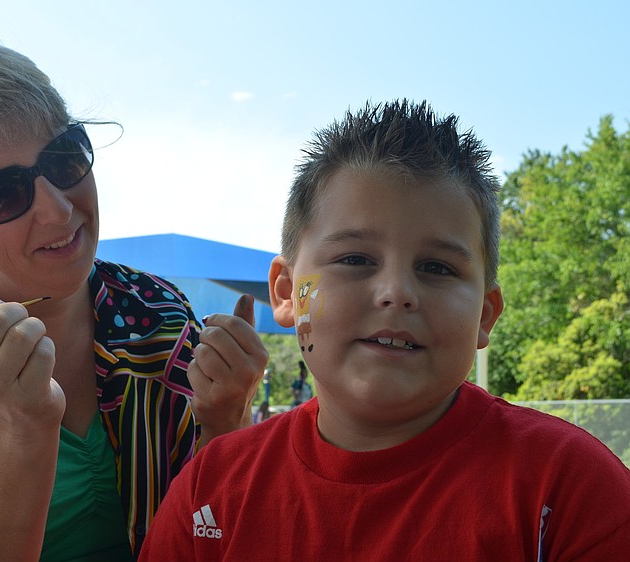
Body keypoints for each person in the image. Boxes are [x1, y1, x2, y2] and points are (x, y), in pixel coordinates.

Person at [0, 1, 267, 561]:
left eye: (64, 159)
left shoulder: (157, 312)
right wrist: (17, 424)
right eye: (0, 193)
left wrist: (227, 426)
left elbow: (208, 531)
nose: (58, 210)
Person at [139, 100, 630, 560]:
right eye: (355, 259)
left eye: (437, 267)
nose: (397, 292)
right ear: (286, 293)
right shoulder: (209, 493)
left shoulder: (569, 488)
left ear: (485, 314)